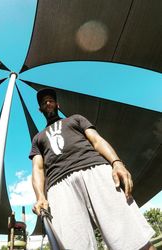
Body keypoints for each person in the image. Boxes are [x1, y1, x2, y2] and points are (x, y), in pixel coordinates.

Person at [29, 88, 155, 250]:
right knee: (72, 244)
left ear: (57, 105)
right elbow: (38, 168)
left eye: (50, 100)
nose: (47, 103)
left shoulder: (76, 119)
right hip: (58, 186)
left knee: (132, 237)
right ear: (40, 109)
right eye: (43, 102)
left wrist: (116, 163)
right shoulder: (38, 138)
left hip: (94, 169)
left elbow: (97, 140)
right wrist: (41, 197)